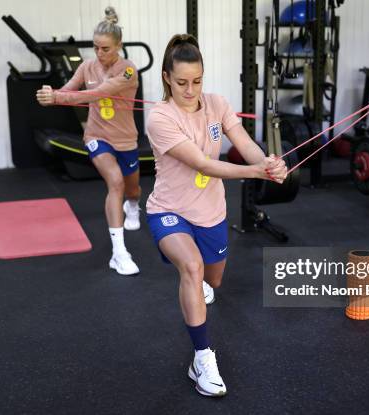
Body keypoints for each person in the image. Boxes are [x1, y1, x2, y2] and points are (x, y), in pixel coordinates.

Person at [145, 34, 287, 397]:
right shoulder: (160, 117)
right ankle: (202, 359)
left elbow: (244, 143)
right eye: (181, 83)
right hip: (169, 211)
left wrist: (267, 163)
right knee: (191, 267)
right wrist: (254, 174)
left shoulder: (217, 105)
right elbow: (204, 164)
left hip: (210, 213)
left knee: (213, 280)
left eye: (197, 81)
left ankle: (199, 289)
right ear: (166, 77)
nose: (190, 90)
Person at [36, 7, 141, 276]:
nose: (99, 54)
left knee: (132, 190)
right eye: (96, 48)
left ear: (119, 46)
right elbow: (70, 89)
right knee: (115, 182)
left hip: (126, 139)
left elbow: (100, 92)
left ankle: (133, 207)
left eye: (105, 48)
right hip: (97, 136)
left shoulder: (129, 71)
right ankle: (119, 253)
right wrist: (53, 93)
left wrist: (58, 99)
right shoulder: (87, 66)